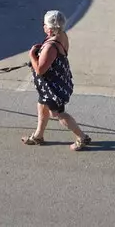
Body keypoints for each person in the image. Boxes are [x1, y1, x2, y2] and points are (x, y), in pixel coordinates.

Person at [22, 9, 90, 150]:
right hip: (55, 81)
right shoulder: (62, 36)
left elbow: (40, 70)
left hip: (53, 86)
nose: (43, 26)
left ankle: (82, 137)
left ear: (50, 28)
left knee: (57, 113)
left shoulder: (50, 46)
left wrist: (32, 56)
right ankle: (38, 136)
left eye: (45, 24)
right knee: (42, 105)